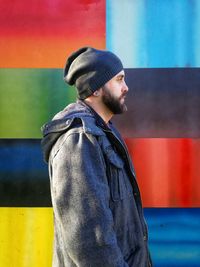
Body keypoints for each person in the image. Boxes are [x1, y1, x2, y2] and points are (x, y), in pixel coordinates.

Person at [41, 47, 152, 267]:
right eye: (119, 80)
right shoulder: (78, 140)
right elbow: (89, 239)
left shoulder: (103, 132)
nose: (126, 87)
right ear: (96, 88)